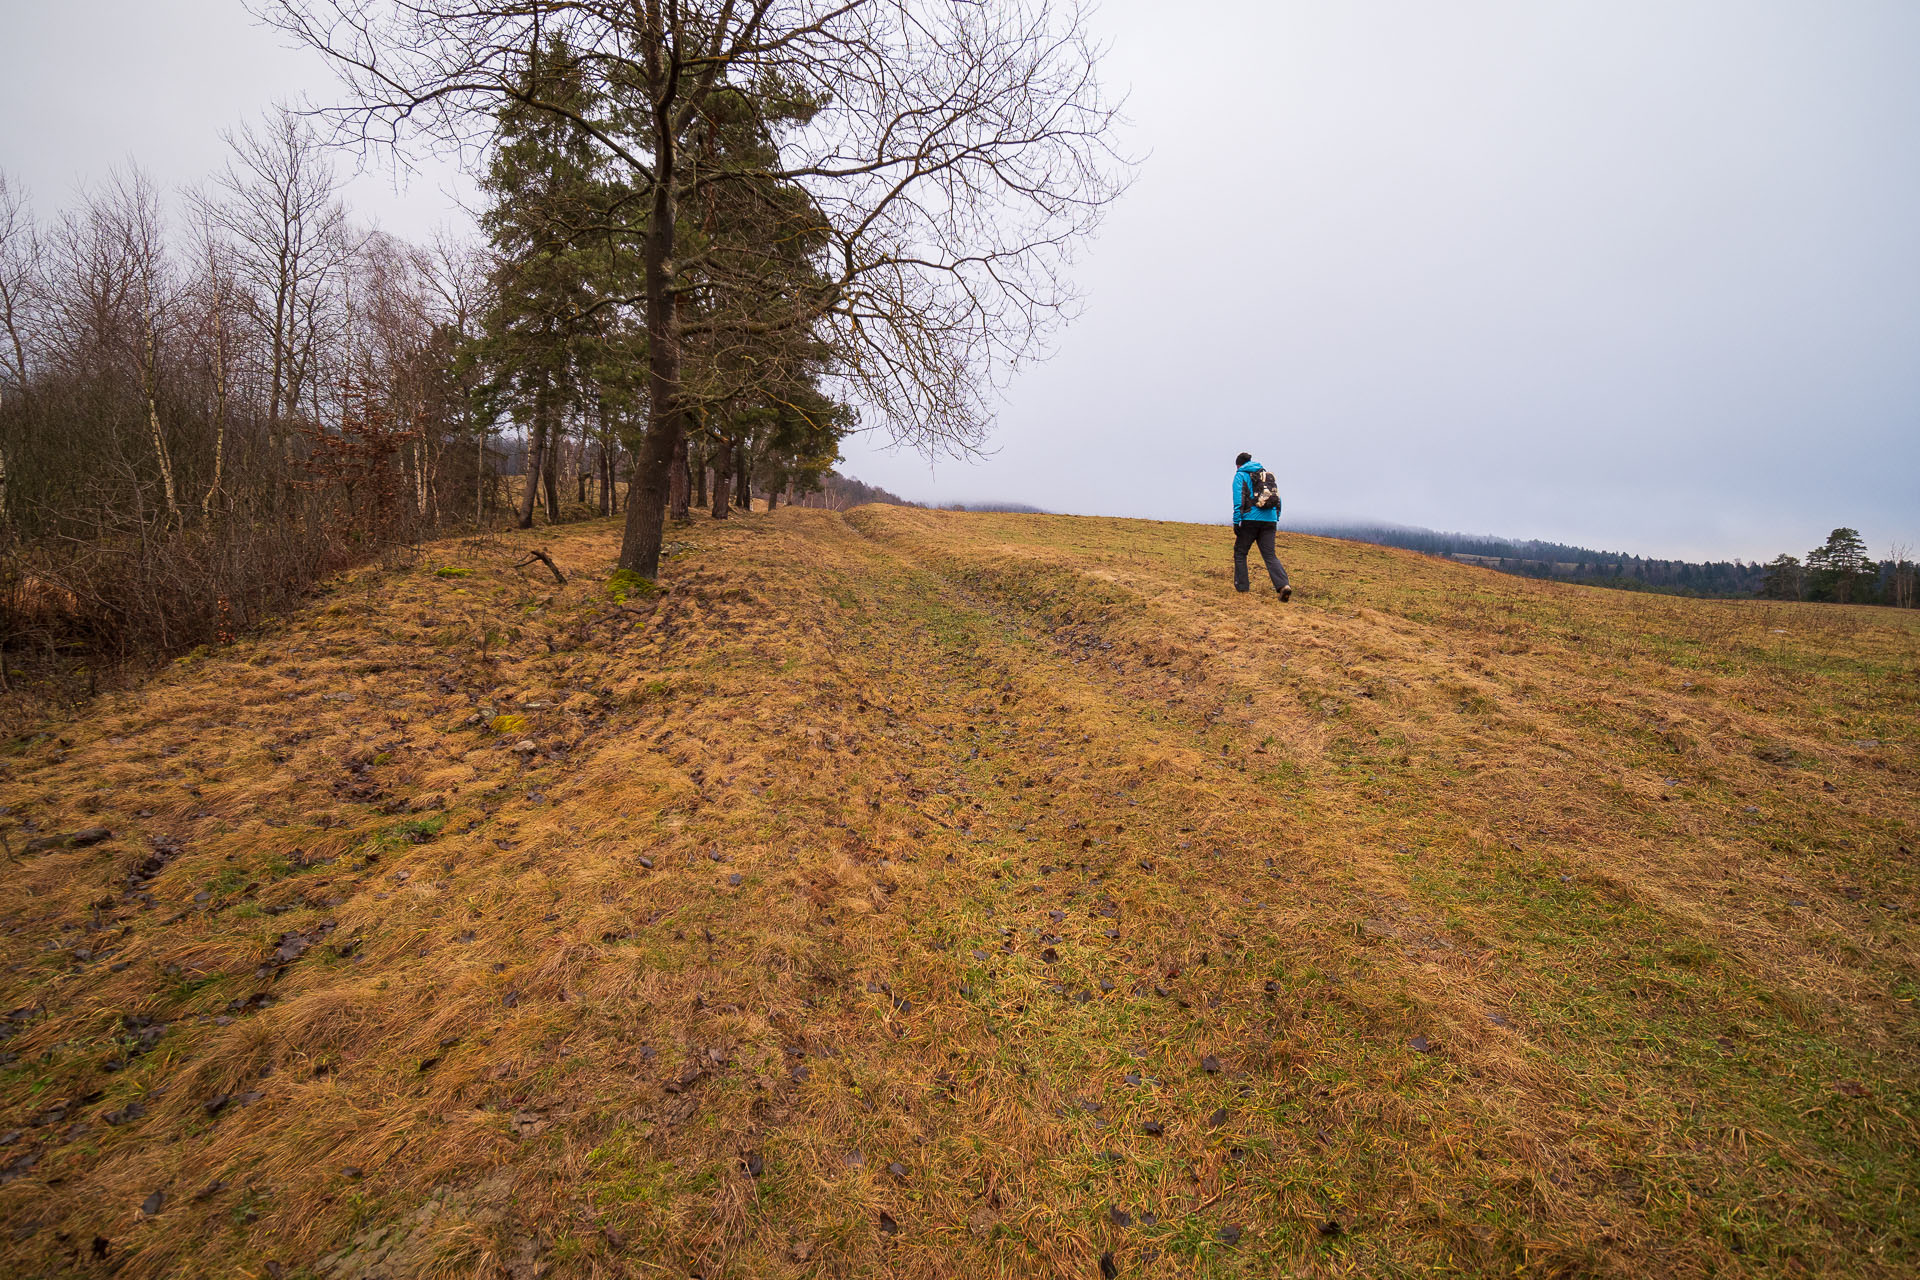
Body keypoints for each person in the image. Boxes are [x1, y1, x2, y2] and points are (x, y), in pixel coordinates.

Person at [1231, 451, 1291, 601]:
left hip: (1251, 519)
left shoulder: (1241, 475)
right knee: (1270, 555)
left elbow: (1239, 499)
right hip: (1270, 520)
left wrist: (1236, 521)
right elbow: (1277, 498)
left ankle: (1242, 587)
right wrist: (1275, 517)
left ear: (1238, 464)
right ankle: (1283, 585)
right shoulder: (1265, 475)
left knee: (1240, 551)